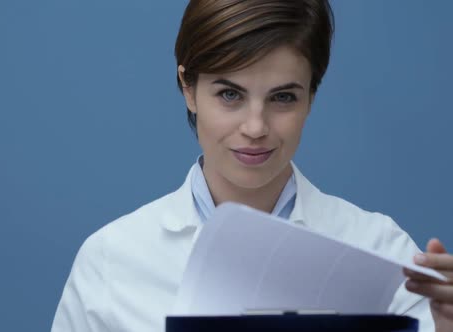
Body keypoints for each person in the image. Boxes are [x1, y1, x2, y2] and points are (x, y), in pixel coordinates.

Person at [51, 1, 453, 331]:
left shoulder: (380, 250)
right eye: (229, 94)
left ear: (311, 97)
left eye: (282, 98)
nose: (255, 127)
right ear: (188, 88)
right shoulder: (111, 260)